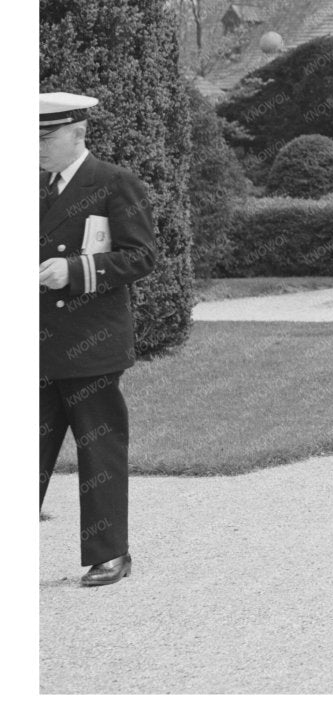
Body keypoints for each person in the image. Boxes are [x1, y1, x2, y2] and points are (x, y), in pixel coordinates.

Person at [39, 92, 158, 588]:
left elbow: (141, 257)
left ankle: (109, 554)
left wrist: (75, 270)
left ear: (77, 134)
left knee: (98, 451)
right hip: (37, 345)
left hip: (91, 344)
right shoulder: (30, 187)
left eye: (46, 137)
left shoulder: (112, 182)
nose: (37, 148)